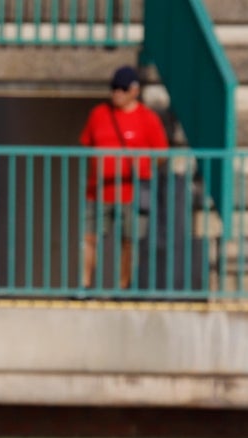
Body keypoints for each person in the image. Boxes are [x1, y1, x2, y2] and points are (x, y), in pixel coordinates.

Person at [79, 64, 169, 290]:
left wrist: (140, 165)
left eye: (122, 88)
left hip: (132, 193)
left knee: (129, 242)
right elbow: (85, 145)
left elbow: (161, 154)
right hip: (98, 191)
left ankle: (124, 287)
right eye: (113, 88)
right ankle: (85, 286)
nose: (116, 93)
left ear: (134, 91)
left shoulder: (147, 119)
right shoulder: (99, 114)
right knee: (90, 238)